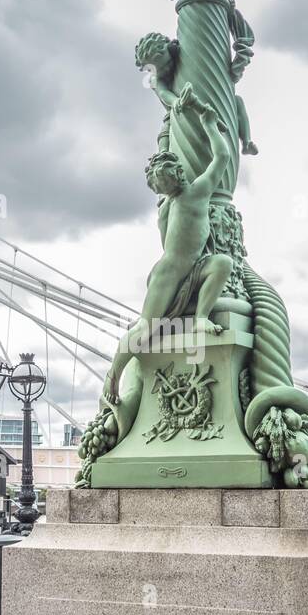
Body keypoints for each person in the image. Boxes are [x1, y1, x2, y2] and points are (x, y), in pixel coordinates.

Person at [103, 90, 232, 406]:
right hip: (169, 271)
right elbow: (222, 158)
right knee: (147, 328)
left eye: (164, 179)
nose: (166, 183)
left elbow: (166, 239)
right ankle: (114, 374)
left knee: (223, 263)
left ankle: (200, 316)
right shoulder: (192, 194)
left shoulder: (177, 201)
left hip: (187, 267)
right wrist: (206, 120)